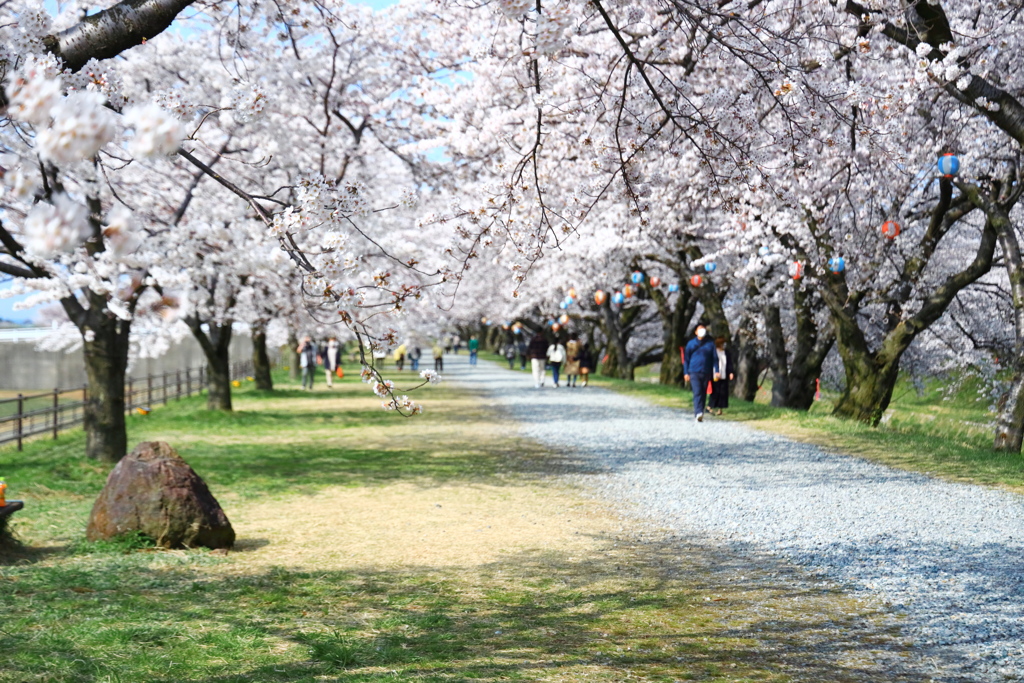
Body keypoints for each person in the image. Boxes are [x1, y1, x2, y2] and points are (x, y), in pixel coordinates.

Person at [683, 324, 719, 421]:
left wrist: (717, 371)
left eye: (703, 329)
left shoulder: (710, 344)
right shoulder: (691, 344)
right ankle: (698, 412)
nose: (702, 331)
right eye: (699, 329)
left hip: (706, 371)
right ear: (695, 332)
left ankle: (700, 412)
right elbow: (686, 359)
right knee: (697, 391)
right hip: (694, 371)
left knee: (703, 392)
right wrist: (686, 373)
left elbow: (715, 358)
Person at [709, 337, 735, 415]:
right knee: (715, 391)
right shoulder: (714, 352)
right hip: (715, 374)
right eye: (723, 344)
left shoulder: (726, 353)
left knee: (723, 392)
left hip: (724, 374)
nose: (724, 345)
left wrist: (731, 372)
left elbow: (729, 363)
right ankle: (710, 406)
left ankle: (720, 409)